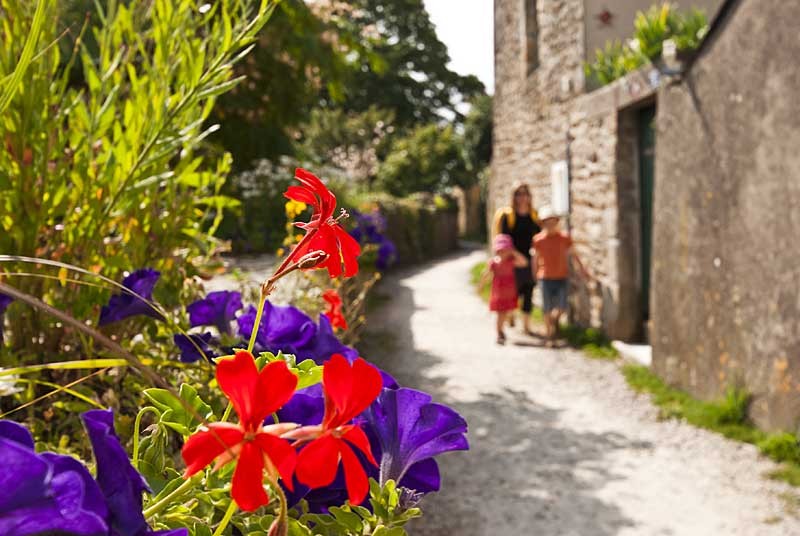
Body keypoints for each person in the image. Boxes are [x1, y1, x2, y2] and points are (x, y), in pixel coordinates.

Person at [532, 205, 592, 344]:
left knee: (562, 306)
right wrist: (534, 275)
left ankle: (552, 321)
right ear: (542, 224)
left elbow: (574, 255)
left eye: (552, 221)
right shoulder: (538, 240)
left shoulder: (564, 238)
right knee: (546, 306)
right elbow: (535, 259)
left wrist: (582, 270)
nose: (550, 225)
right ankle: (549, 337)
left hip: (561, 276)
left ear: (557, 222)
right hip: (545, 277)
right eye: (547, 222)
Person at [492, 182, 541, 336]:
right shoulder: (508, 216)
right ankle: (510, 316)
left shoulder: (534, 215)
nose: (522, 197)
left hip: (530, 260)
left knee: (529, 291)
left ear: (529, 196)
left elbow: (538, 237)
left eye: (525, 193)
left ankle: (526, 326)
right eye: (518, 194)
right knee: (513, 292)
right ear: (514, 196)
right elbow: (504, 239)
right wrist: (513, 256)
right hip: (512, 260)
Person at [482, 234, 528, 345]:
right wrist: (481, 285)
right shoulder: (494, 263)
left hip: (510, 292)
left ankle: (506, 324)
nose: (503, 253)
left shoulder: (511, 261)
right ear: (496, 250)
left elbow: (524, 263)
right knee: (500, 314)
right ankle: (499, 333)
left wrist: (514, 252)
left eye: (505, 250)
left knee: (507, 311)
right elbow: (486, 274)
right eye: (500, 250)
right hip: (499, 293)